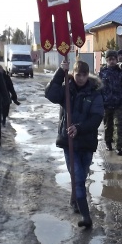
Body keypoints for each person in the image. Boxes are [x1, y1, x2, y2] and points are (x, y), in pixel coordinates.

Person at [45, 59, 104, 228]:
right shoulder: (67, 90)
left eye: (84, 75)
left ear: (88, 75)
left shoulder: (95, 92)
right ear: (73, 74)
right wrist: (59, 72)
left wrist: (79, 128)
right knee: (77, 177)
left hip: (86, 141)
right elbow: (50, 94)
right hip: (69, 142)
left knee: (82, 175)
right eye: (78, 74)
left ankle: (75, 198)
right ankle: (86, 216)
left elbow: (96, 117)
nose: (81, 78)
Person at [99, 49, 122, 155]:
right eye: (109, 59)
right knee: (108, 125)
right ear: (106, 60)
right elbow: (98, 87)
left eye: (113, 59)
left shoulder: (121, 72)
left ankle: (118, 147)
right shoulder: (102, 72)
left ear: (116, 60)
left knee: (118, 125)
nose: (111, 61)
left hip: (119, 103)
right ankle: (108, 143)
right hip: (107, 103)